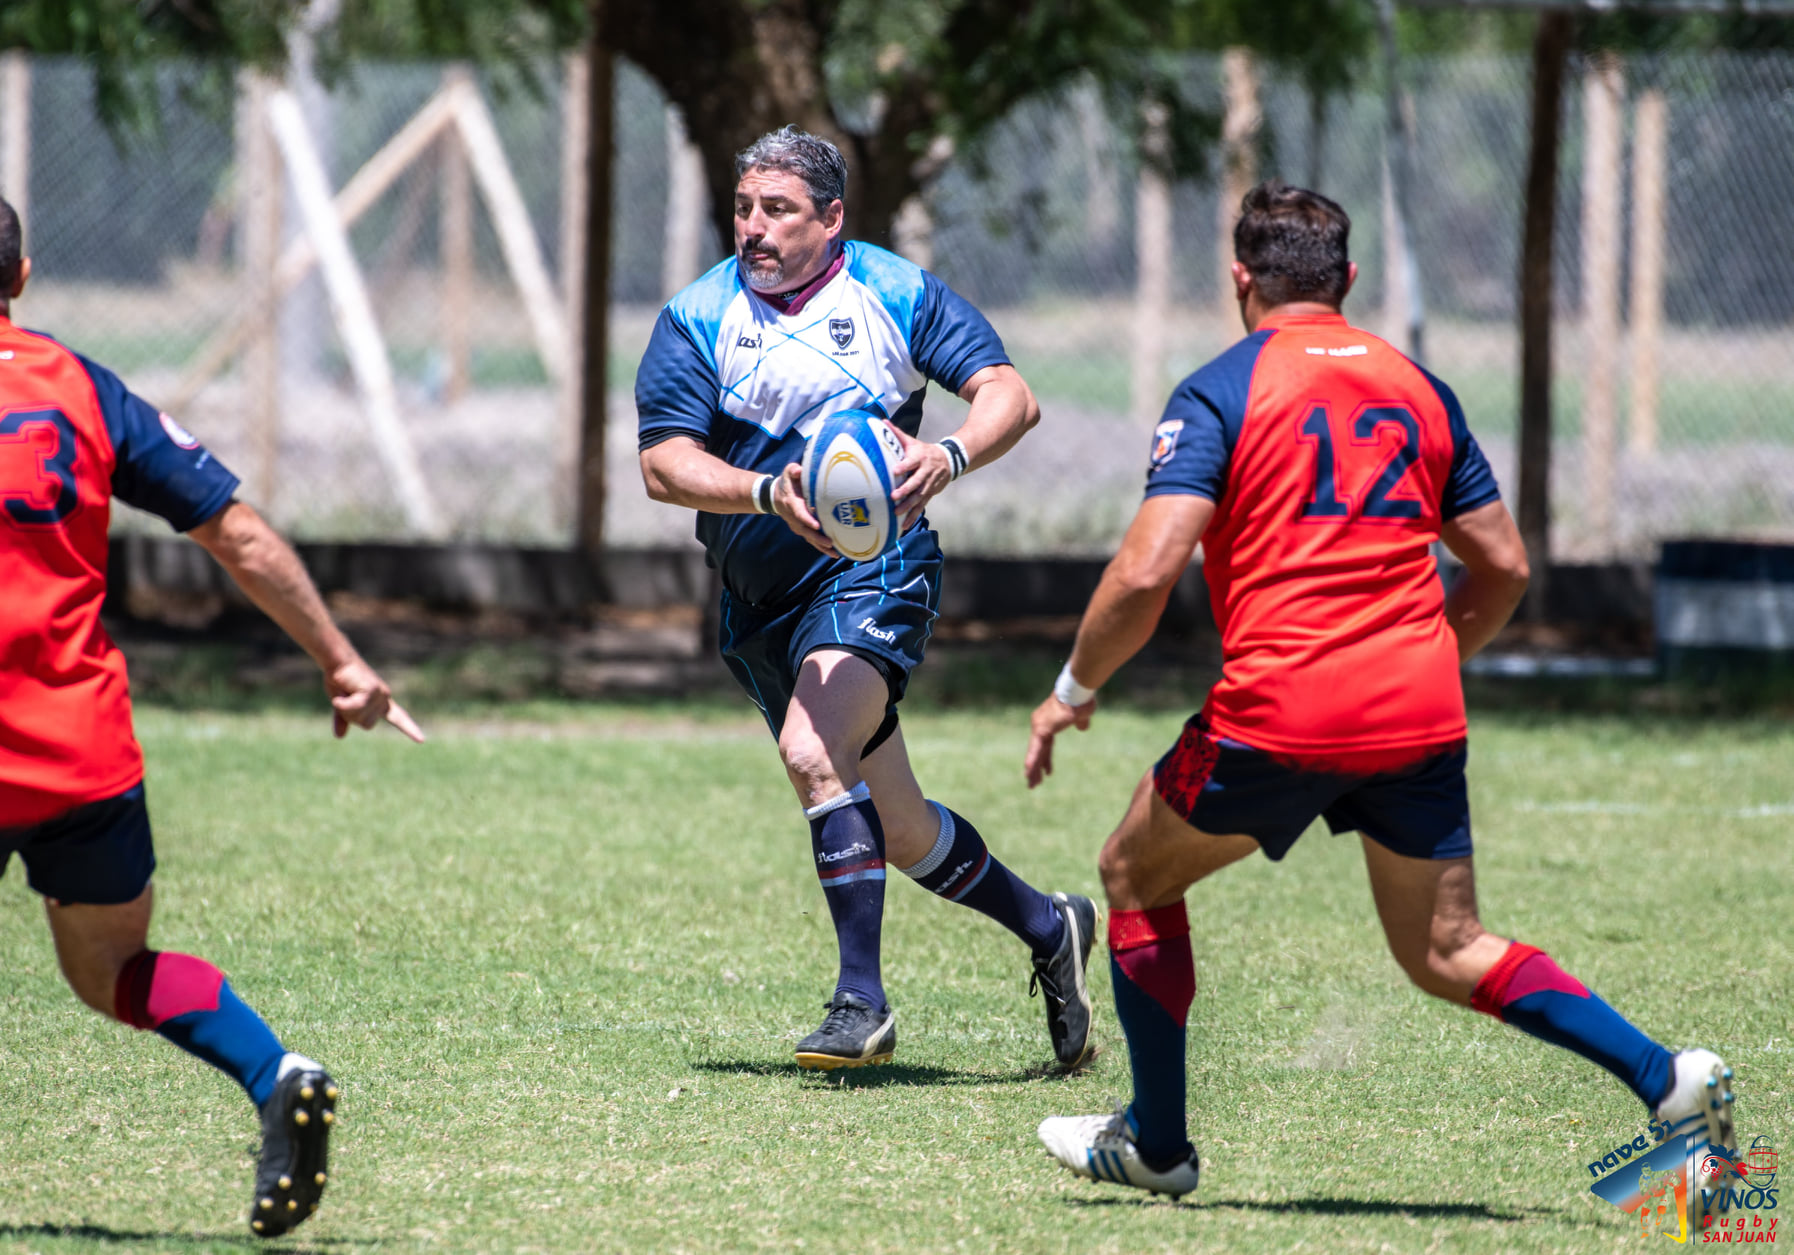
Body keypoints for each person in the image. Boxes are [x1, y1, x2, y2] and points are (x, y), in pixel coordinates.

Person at [1025, 182, 1737, 1216]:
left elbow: (1144, 574)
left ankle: (1159, 1144)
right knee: (1449, 949)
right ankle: (1670, 1082)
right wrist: (1428, 654)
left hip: (1280, 709)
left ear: (1241, 279)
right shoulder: (1420, 388)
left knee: (1130, 872)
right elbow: (1502, 565)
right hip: (1416, 709)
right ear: (1346, 281)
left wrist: (1072, 688)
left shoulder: (1222, 388)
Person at [0, 198, 425, 1238]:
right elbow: (235, 532)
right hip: (79, 751)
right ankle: (274, 1069)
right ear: (20, 277)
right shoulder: (80, 389)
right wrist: (343, 660)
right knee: (115, 972)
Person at [635, 126, 1096, 1071]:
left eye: (779, 211)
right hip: (758, 598)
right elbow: (662, 463)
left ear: (832, 217)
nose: (754, 230)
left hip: (875, 567)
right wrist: (768, 491)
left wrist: (950, 451)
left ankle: (861, 1005)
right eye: (743, 209)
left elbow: (1009, 392)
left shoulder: (894, 291)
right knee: (902, 824)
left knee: (814, 746)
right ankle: (1051, 926)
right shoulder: (696, 315)